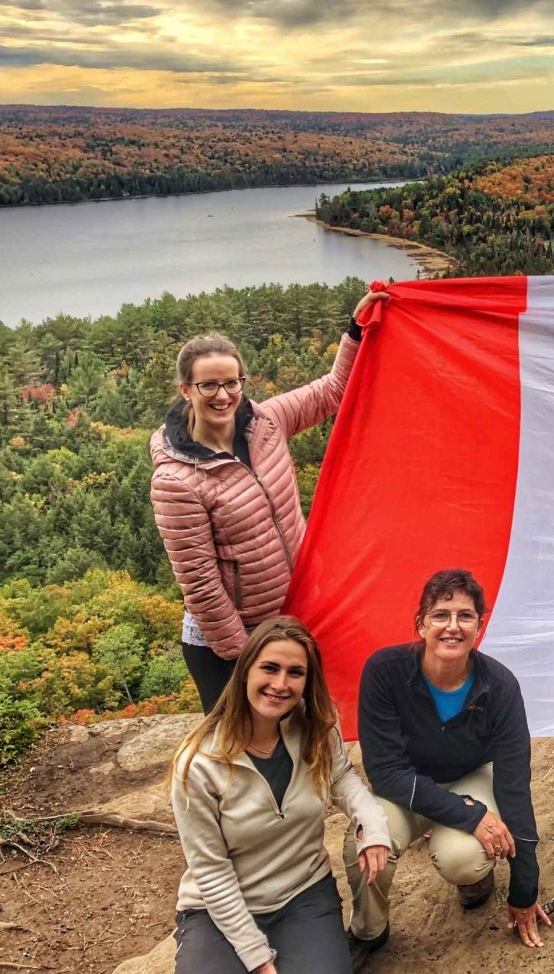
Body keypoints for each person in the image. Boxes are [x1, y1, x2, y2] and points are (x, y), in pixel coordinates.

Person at [149, 288, 389, 711]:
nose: (223, 396)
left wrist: (357, 329)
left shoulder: (266, 423)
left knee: (301, 732)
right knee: (240, 751)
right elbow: (201, 585)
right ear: (186, 389)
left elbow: (332, 391)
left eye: (231, 383)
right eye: (208, 385)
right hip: (229, 642)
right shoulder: (176, 480)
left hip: (291, 614)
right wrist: (248, 657)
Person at [169, 615, 391, 974]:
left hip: (303, 892)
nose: (280, 684)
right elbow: (210, 871)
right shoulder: (199, 762)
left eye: (295, 673)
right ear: (245, 672)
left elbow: (345, 780)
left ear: (308, 680)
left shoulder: (315, 728)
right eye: (269, 668)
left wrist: (374, 829)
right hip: (218, 908)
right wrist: (257, 959)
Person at [344, 568, 549, 952]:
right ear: (421, 624)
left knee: (462, 858)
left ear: (480, 627)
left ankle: (476, 880)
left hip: (471, 775)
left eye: (465, 616)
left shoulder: (500, 686)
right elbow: (385, 772)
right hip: (406, 783)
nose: (452, 626)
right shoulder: (384, 671)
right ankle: (368, 932)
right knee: (368, 841)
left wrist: (525, 887)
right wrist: (470, 815)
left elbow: (514, 786)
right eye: (440, 615)